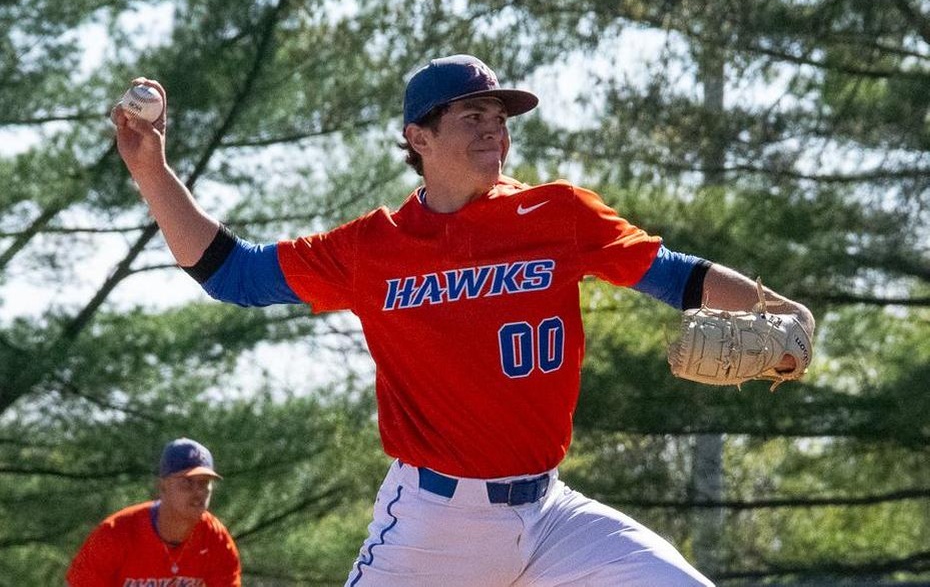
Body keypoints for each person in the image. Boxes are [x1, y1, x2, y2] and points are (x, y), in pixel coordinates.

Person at [111, 54, 815, 586]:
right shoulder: (373, 248)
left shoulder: (557, 215)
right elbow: (233, 274)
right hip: (432, 523)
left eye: (500, 118)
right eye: (472, 116)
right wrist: (151, 171)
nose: (494, 131)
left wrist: (778, 312)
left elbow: (674, 276)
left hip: (551, 515)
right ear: (418, 136)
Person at [66, 437, 241, 586]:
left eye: (204, 483)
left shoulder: (215, 538)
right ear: (162, 486)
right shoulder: (115, 533)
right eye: (187, 482)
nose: (198, 492)